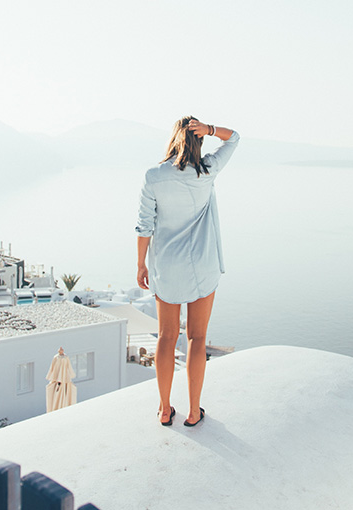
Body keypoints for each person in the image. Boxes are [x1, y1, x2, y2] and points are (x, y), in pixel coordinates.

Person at [135, 116, 239, 426]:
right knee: (197, 338)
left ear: (173, 139)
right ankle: (194, 412)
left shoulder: (153, 176)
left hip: (167, 267)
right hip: (203, 266)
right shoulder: (206, 171)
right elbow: (233, 138)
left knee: (167, 337)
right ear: (198, 140)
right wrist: (209, 128)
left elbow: (144, 226)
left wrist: (141, 264)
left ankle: (165, 408)